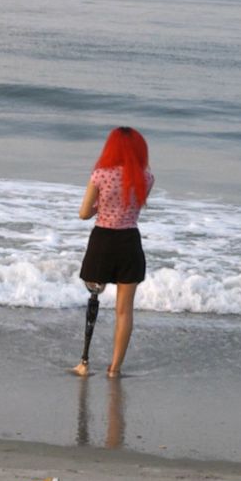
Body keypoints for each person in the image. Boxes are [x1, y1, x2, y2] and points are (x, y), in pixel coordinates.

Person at [73, 127, 153, 378]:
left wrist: (101, 205)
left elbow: (84, 213)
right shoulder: (146, 177)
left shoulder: (100, 175)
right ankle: (114, 368)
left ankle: (84, 361)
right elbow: (133, 205)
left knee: (94, 296)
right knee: (124, 310)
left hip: (103, 242)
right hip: (129, 242)